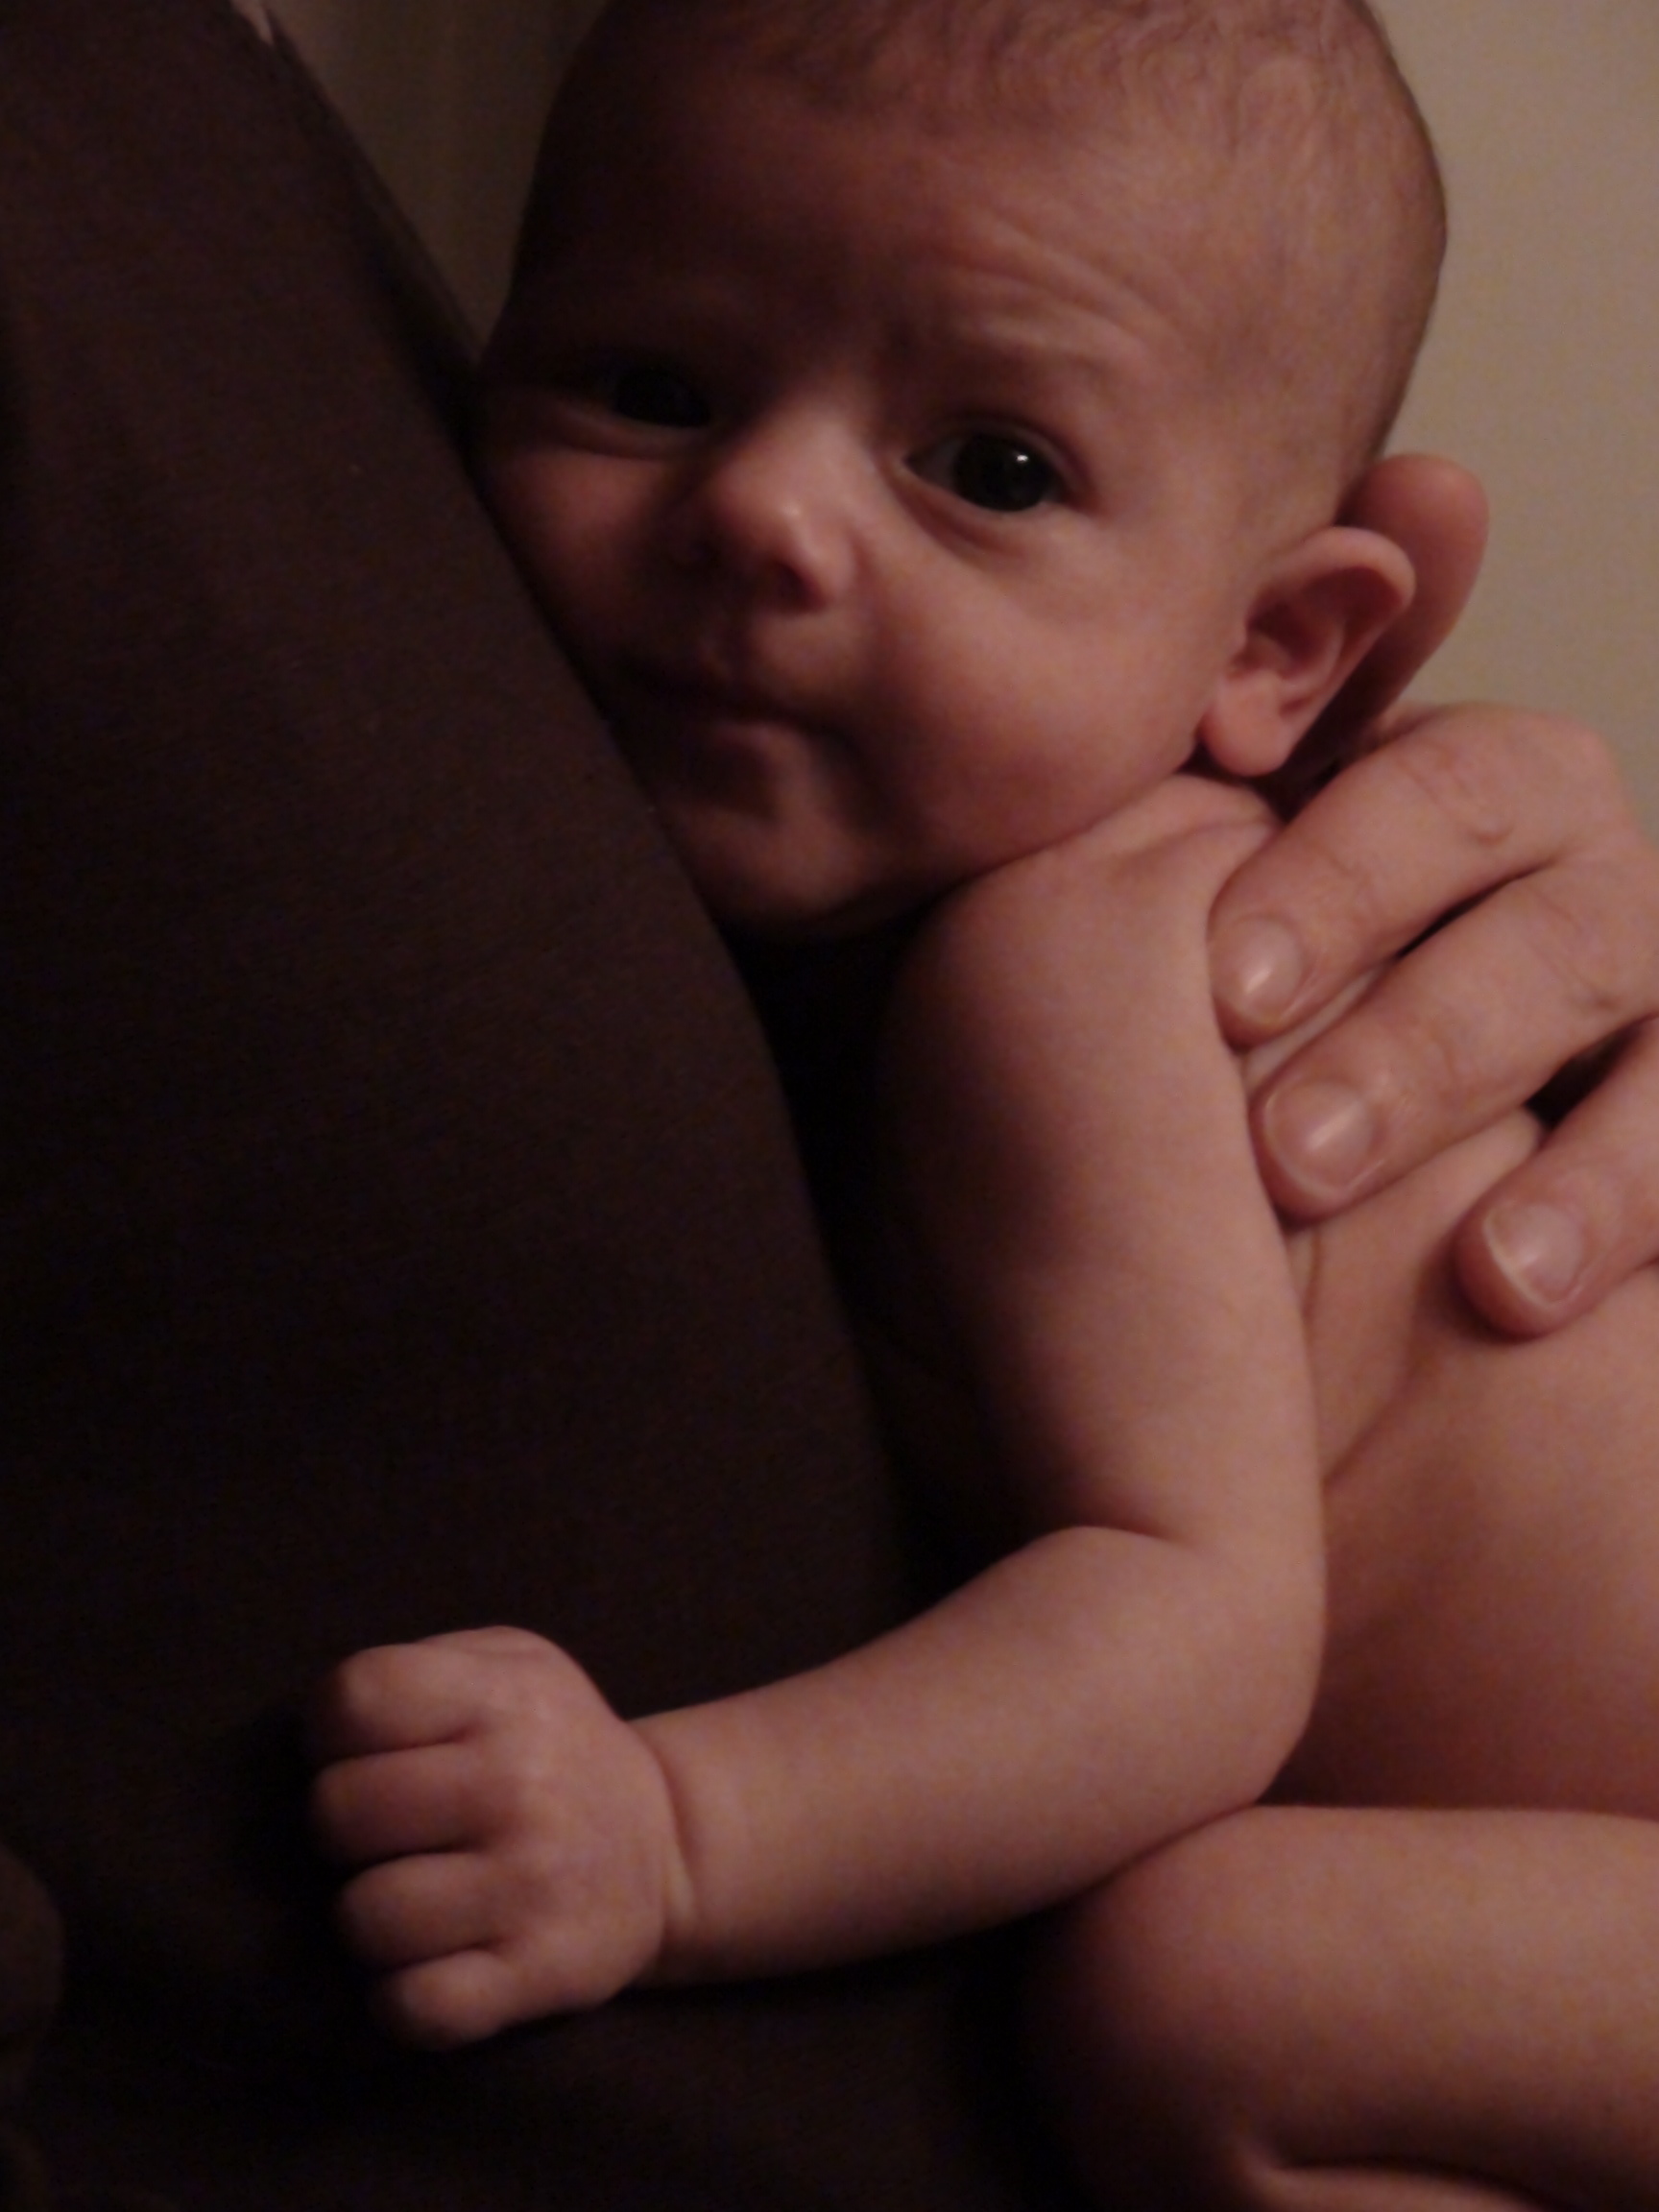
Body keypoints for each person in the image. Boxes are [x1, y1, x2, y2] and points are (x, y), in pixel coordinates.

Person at [7, 3, 1659, 2209]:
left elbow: (1196, 1628)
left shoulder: (1067, 962)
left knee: (1205, 1987)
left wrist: (675, 1832)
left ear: (1276, 650)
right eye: (651, 387)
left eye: (994, 469)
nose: (763, 514)